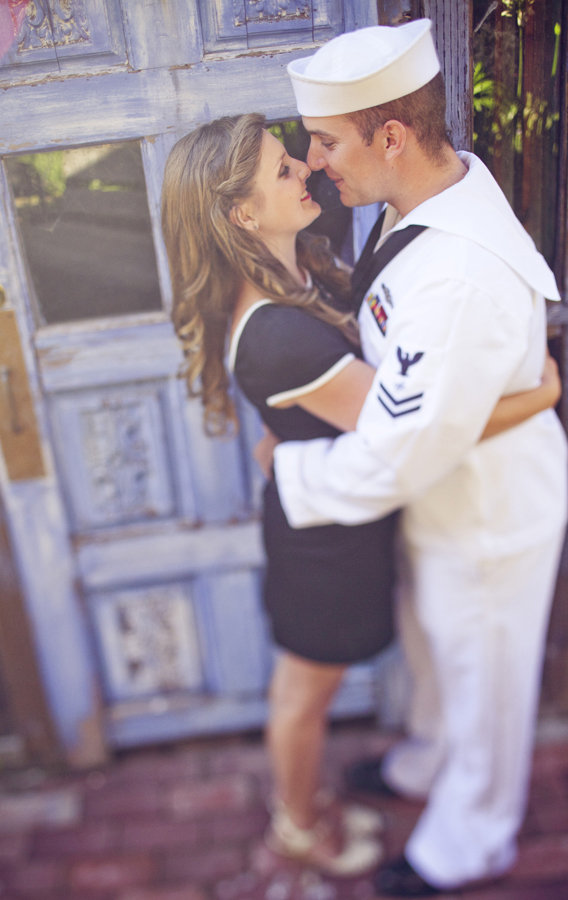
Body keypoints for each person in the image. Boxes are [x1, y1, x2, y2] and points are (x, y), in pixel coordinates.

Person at [161, 113, 561, 880]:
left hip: (354, 515)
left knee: (334, 681)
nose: (306, 170)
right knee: (302, 696)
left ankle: (333, 807)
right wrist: (535, 399)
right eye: (284, 170)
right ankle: (297, 828)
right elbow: (415, 432)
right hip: (324, 543)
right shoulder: (277, 330)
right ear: (242, 215)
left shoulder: (301, 267)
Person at [270, 18, 568, 896]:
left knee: (484, 677)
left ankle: (469, 837)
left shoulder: (457, 275)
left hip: (485, 515)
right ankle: (430, 762)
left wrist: (291, 479)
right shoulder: (424, 194)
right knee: (435, 648)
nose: (315, 160)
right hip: (442, 492)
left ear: (391, 137)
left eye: (326, 142)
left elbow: (402, 451)